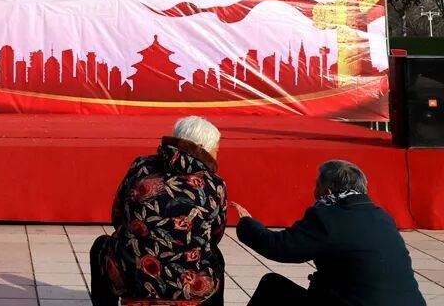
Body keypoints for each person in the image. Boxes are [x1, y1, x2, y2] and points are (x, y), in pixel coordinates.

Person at [233, 160, 425, 306]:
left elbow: (281, 247)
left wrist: (248, 224)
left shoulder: (329, 217)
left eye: (316, 186)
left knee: (273, 287)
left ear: (328, 191)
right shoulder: (382, 216)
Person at [90, 116, 227, 306]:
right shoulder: (215, 184)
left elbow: (118, 216)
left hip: (133, 279)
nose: (216, 154)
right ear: (202, 148)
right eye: (216, 149)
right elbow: (215, 235)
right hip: (188, 284)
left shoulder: (140, 167)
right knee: (215, 256)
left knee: (101, 246)